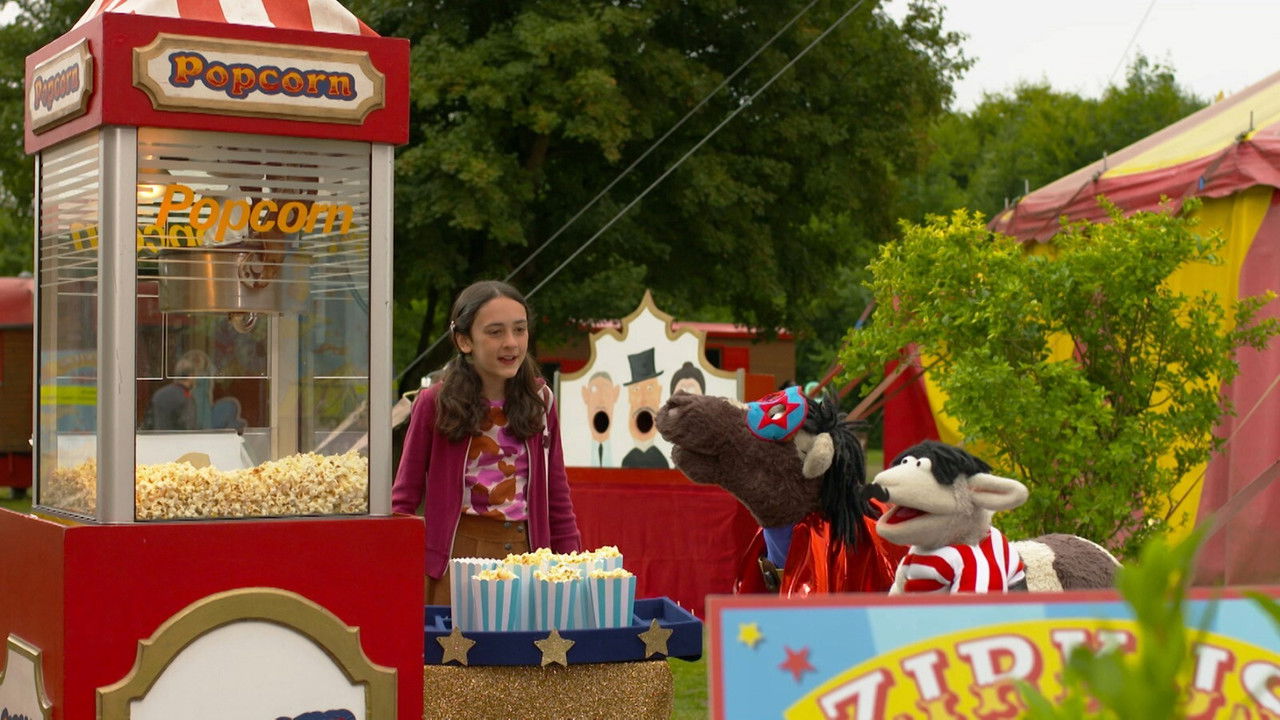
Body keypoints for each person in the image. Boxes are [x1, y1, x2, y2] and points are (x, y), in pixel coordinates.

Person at [392, 280, 582, 605]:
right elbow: (404, 499)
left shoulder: (542, 400)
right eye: (495, 332)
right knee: (454, 655)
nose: (511, 343)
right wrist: (397, 566)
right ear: (464, 340)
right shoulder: (433, 403)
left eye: (519, 330)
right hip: (456, 559)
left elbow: (557, 495)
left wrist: (574, 566)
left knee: (523, 655)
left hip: (529, 558)